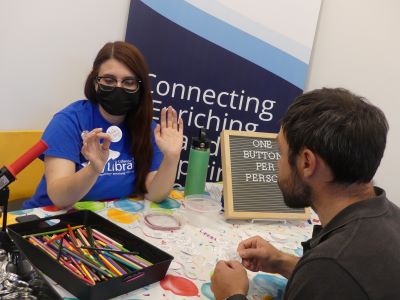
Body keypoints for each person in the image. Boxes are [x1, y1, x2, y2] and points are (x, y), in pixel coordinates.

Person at [211, 88, 400, 299]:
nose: (277, 164)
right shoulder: (390, 217)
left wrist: (231, 295)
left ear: (307, 163)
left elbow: (331, 276)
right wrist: (282, 262)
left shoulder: (329, 267)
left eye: (281, 153)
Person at [23, 41, 183, 209]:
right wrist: (93, 169)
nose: (118, 88)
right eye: (109, 80)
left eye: (128, 82)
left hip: (110, 221)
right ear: (95, 82)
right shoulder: (69, 121)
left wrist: (171, 158)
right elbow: (59, 197)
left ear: (139, 88)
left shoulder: (147, 128)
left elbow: (154, 194)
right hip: (52, 220)